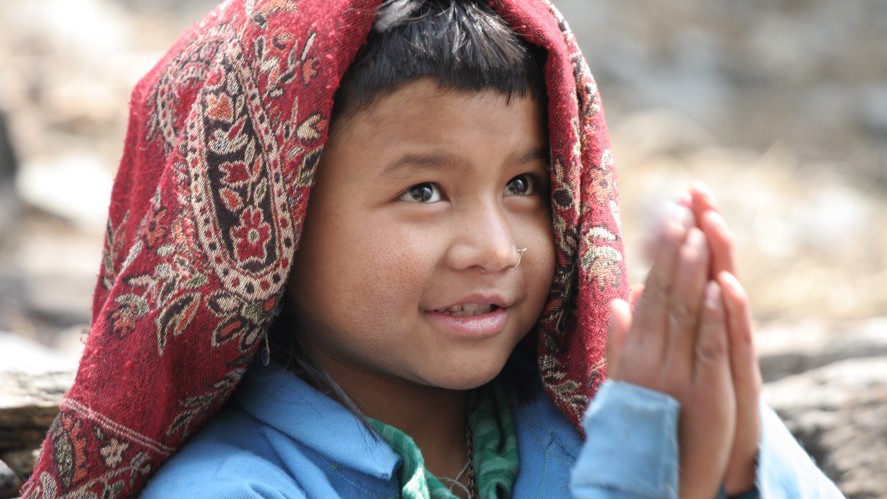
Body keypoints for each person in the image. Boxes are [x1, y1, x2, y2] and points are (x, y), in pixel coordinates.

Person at [22, 0, 843, 498]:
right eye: (423, 191)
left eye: (525, 184)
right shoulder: (235, 485)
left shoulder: (616, 413)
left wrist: (738, 470)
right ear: (269, 221)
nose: (495, 248)